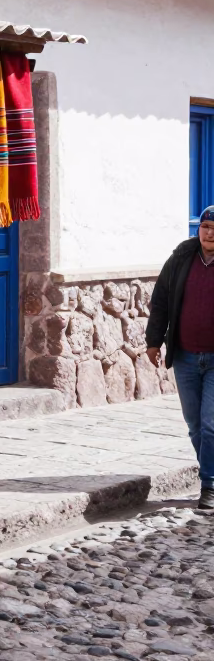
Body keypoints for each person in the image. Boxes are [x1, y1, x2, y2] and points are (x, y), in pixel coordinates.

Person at [147, 205, 214, 509]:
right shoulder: (181, 258)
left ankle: (209, 485)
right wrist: (153, 341)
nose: (210, 234)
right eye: (206, 228)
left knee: (210, 424)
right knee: (195, 425)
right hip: (186, 356)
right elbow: (161, 300)